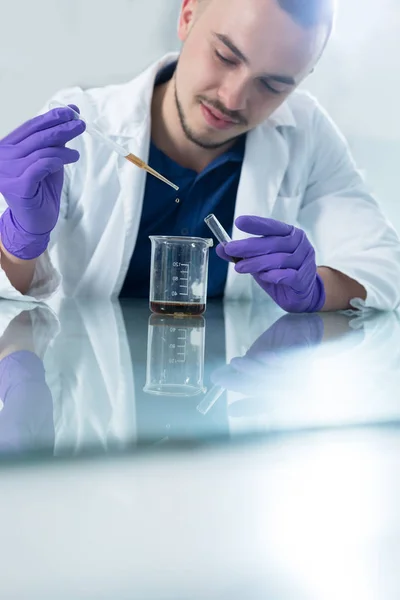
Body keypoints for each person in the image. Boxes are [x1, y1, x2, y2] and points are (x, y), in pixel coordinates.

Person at [0, 0, 399, 312]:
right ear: (188, 15)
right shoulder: (83, 127)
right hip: (96, 400)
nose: (233, 99)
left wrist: (317, 289)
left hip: (231, 393)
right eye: (225, 56)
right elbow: (11, 294)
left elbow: (384, 265)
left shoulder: (306, 133)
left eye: (273, 85)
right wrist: (19, 241)